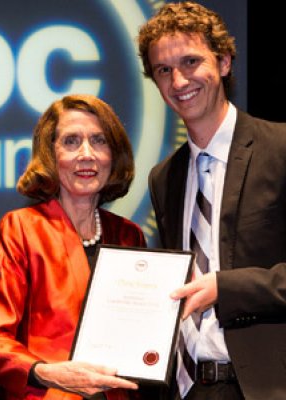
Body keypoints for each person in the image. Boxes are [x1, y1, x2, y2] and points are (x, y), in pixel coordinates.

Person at [137, 2, 286, 400]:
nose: (179, 80)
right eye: (163, 70)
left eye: (190, 61)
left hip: (264, 387)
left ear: (223, 62)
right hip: (186, 389)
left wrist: (226, 288)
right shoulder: (164, 177)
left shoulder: (281, 148)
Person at [0, 94, 146, 400]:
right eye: (71, 141)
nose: (87, 154)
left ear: (113, 154)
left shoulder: (128, 235)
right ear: (51, 155)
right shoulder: (21, 228)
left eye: (99, 141)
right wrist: (46, 373)